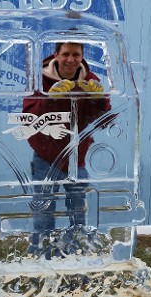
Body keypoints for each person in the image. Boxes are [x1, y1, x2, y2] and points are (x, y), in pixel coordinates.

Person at [22, 43, 111, 249]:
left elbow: (104, 120)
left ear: (82, 56)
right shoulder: (39, 80)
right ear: (56, 55)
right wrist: (49, 99)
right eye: (66, 54)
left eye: (76, 54)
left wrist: (101, 100)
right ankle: (40, 252)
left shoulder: (91, 81)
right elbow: (29, 116)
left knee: (79, 210)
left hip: (76, 158)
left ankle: (79, 251)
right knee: (43, 211)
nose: (70, 60)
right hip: (45, 158)